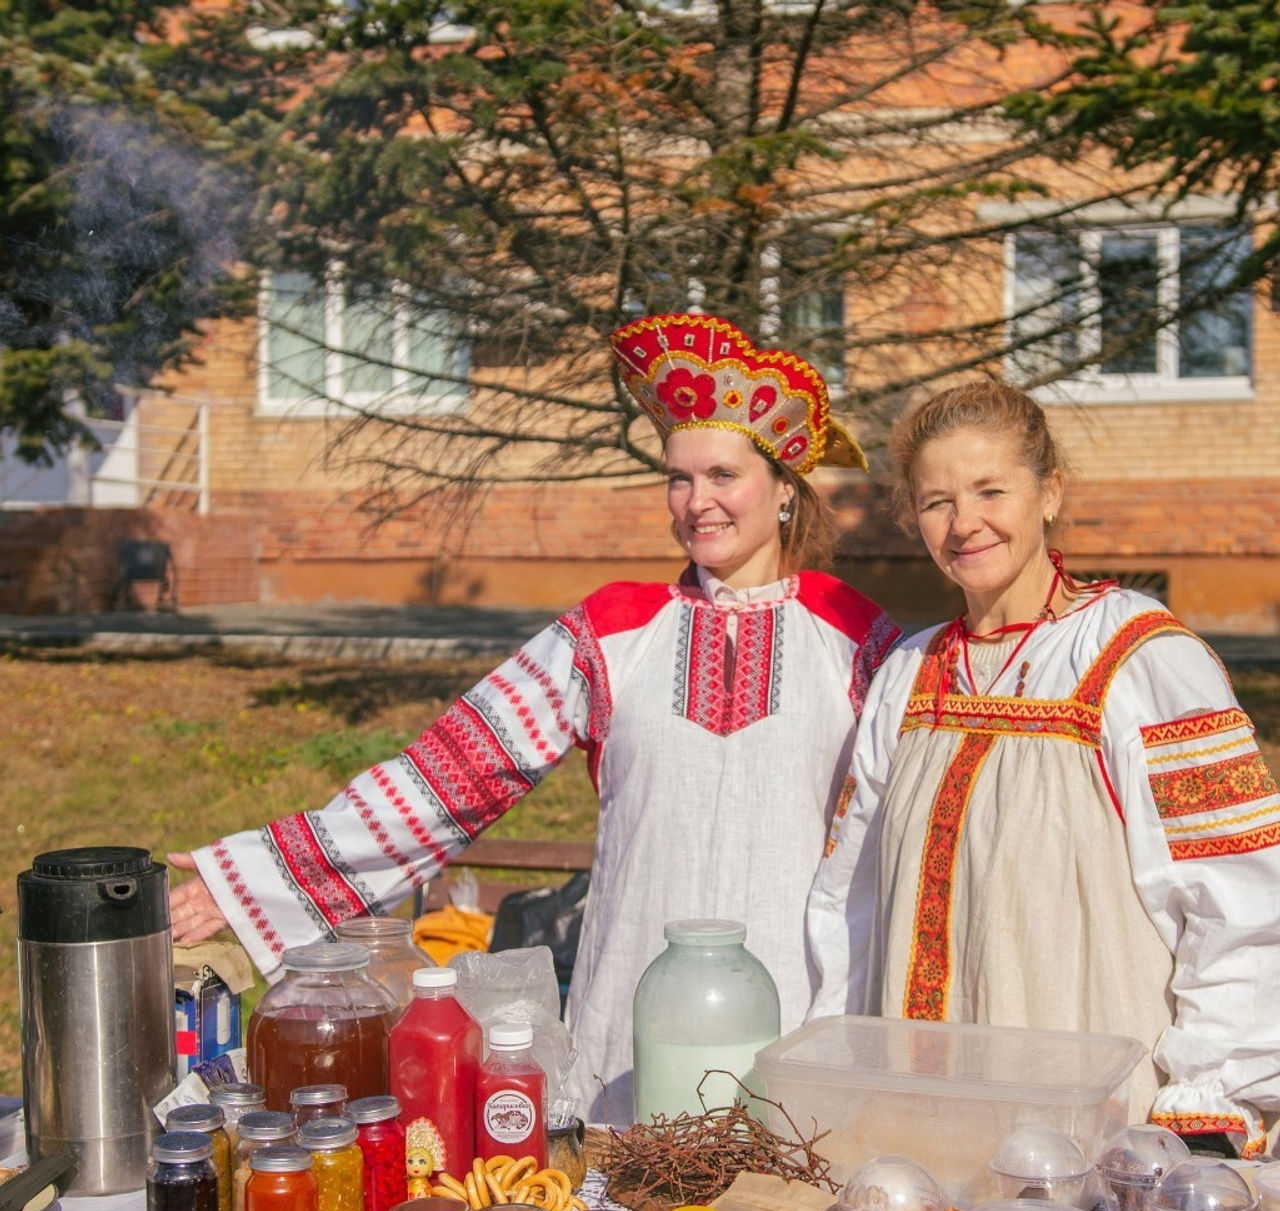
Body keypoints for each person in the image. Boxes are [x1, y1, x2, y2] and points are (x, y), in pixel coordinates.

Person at [169, 312, 901, 1122]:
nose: (698, 503)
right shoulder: (615, 629)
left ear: (785, 488)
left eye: (724, 476)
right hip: (634, 1020)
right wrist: (263, 875)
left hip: (796, 1022)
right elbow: (450, 773)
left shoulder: (861, 638)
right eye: (678, 478)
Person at [806, 380, 1280, 1156]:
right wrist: (836, 1063)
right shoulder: (907, 673)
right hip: (917, 1133)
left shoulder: (1140, 661)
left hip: (1091, 1134)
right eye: (936, 502)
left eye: (992, 490)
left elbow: (1242, 896)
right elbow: (849, 899)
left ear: (1049, 491)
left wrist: (1209, 1089)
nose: (965, 524)